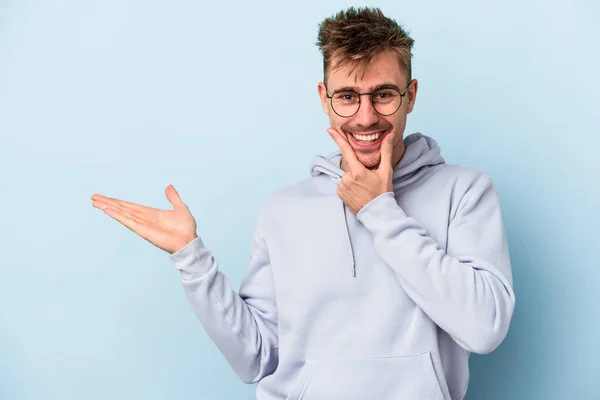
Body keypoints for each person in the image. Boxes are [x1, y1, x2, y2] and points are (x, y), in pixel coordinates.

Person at [91, 6, 515, 400]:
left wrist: (379, 210)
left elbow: (484, 328)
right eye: (347, 96)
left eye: (383, 94)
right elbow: (256, 357)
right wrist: (191, 259)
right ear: (323, 97)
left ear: (411, 95)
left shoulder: (465, 192)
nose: (366, 117)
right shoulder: (284, 210)